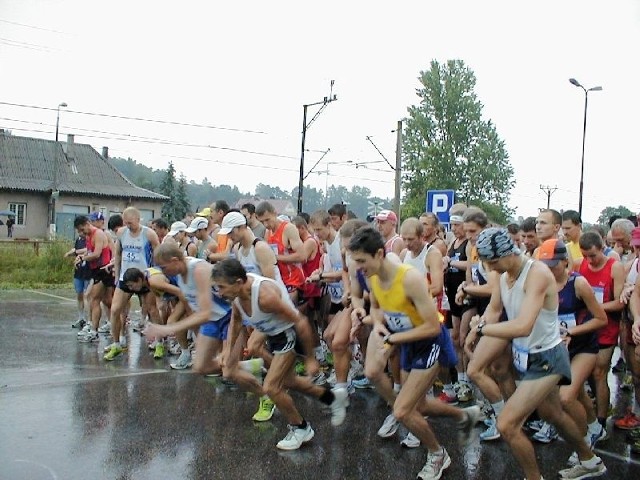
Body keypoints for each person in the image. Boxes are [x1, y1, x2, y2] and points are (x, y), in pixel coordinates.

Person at [465, 228, 606, 480]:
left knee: (507, 425)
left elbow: (523, 325)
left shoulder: (537, 274)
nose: (491, 268)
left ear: (508, 252)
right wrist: (476, 330)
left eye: (493, 262)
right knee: (554, 415)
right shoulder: (504, 274)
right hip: (528, 356)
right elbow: (495, 309)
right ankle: (590, 460)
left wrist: (483, 328)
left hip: (548, 358)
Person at [349, 227, 478, 480]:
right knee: (417, 404)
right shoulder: (374, 275)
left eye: (362, 261)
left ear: (378, 254)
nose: (359, 268)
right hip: (406, 342)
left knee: (403, 411)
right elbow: (376, 308)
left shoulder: (409, 279)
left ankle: (438, 454)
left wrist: (393, 338)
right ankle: (465, 415)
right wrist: (377, 326)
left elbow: (432, 325)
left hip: (429, 342)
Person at [212, 258, 348, 450]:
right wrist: (227, 350)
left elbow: (300, 322)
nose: (219, 292)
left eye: (221, 287)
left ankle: (300, 428)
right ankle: (333, 399)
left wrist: (310, 358)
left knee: (271, 387)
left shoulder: (265, 297)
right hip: (273, 333)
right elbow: (235, 320)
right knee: (290, 382)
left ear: (238, 282)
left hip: (289, 333)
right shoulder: (236, 296)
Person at [532, 239, 607, 453]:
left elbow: (600, 319)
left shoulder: (578, 284)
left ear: (565, 262)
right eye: (544, 265)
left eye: (553, 264)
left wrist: (571, 332)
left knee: (566, 397)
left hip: (583, 348)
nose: (548, 269)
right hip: (556, 348)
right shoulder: (540, 284)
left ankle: (583, 447)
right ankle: (594, 427)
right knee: (577, 394)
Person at [144, 243, 232, 375]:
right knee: (200, 367)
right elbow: (192, 306)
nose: (162, 271)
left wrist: (168, 328)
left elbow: (205, 313)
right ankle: (247, 366)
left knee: (228, 369)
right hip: (212, 320)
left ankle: (254, 377)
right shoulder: (179, 275)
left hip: (229, 316)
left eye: (163, 267)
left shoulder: (198, 269)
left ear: (175, 261)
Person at [105, 207, 160, 361]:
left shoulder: (149, 234)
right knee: (115, 310)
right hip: (125, 277)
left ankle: (159, 342)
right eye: (126, 223)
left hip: (143, 278)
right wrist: (117, 274)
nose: (128, 225)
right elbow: (117, 253)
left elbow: (158, 254)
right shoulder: (121, 233)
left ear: (138, 219)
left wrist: (155, 275)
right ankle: (117, 343)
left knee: (153, 311)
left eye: (130, 223)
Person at [256, 201, 306, 303]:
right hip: (279, 279)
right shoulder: (267, 232)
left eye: (267, 220)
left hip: (294, 281)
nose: (266, 224)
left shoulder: (288, 228)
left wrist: (274, 257)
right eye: (262, 222)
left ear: (275, 213)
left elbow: (302, 256)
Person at [65, 231, 91, 329]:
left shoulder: (90, 238)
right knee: (79, 295)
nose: (80, 232)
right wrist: (70, 253)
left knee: (89, 296)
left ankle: (90, 321)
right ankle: (81, 318)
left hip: (88, 271)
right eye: (78, 230)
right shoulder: (78, 239)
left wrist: (75, 252)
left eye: (81, 230)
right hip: (78, 271)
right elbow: (76, 249)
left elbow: (87, 250)